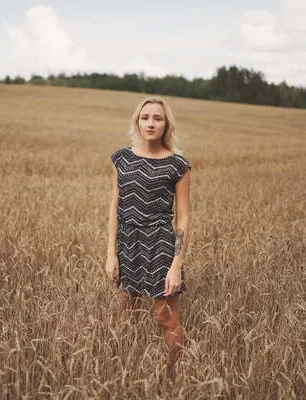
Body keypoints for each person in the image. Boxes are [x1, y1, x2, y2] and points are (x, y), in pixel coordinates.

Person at [105, 96, 192, 383]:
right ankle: (126, 370)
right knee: (128, 310)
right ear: (137, 121)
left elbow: (182, 218)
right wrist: (110, 254)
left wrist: (176, 264)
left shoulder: (178, 165)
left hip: (160, 243)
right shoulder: (122, 158)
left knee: (166, 317)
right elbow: (115, 208)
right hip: (127, 241)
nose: (151, 123)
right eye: (145, 117)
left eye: (158, 118)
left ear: (167, 124)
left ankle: (172, 377)